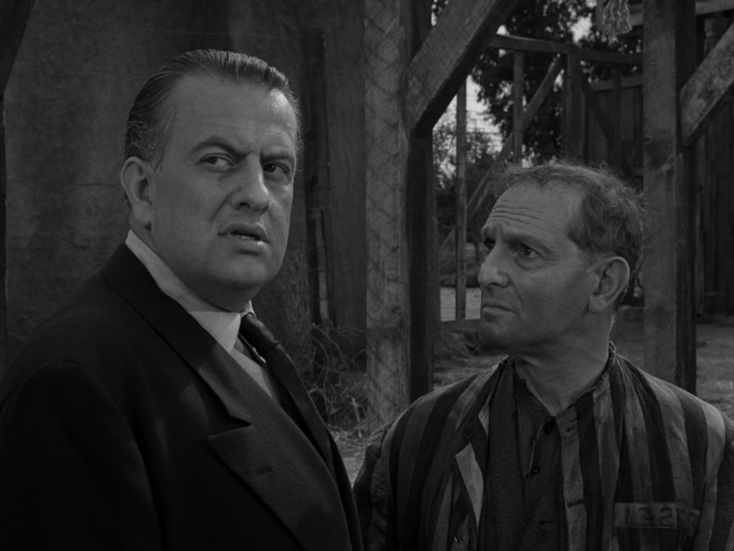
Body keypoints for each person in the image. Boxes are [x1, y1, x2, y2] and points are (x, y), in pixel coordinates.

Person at [0, 50, 361, 551]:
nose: (257, 194)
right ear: (143, 189)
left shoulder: (238, 336)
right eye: (218, 160)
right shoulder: (75, 383)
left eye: (275, 167)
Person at [354, 161, 734, 550]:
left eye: (524, 251)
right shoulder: (416, 439)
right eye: (490, 245)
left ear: (604, 283)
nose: (486, 273)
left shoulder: (699, 445)